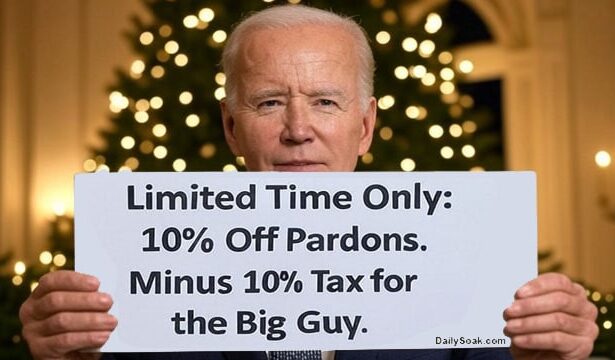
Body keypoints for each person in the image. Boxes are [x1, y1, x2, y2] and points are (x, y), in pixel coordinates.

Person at [19, 4, 598, 360]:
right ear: (231, 128)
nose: (298, 130)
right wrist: (68, 357)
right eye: (270, 102)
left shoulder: (472, 272)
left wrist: (545, 356)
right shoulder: (133, 277)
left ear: (365, 125)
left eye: (325, 102)